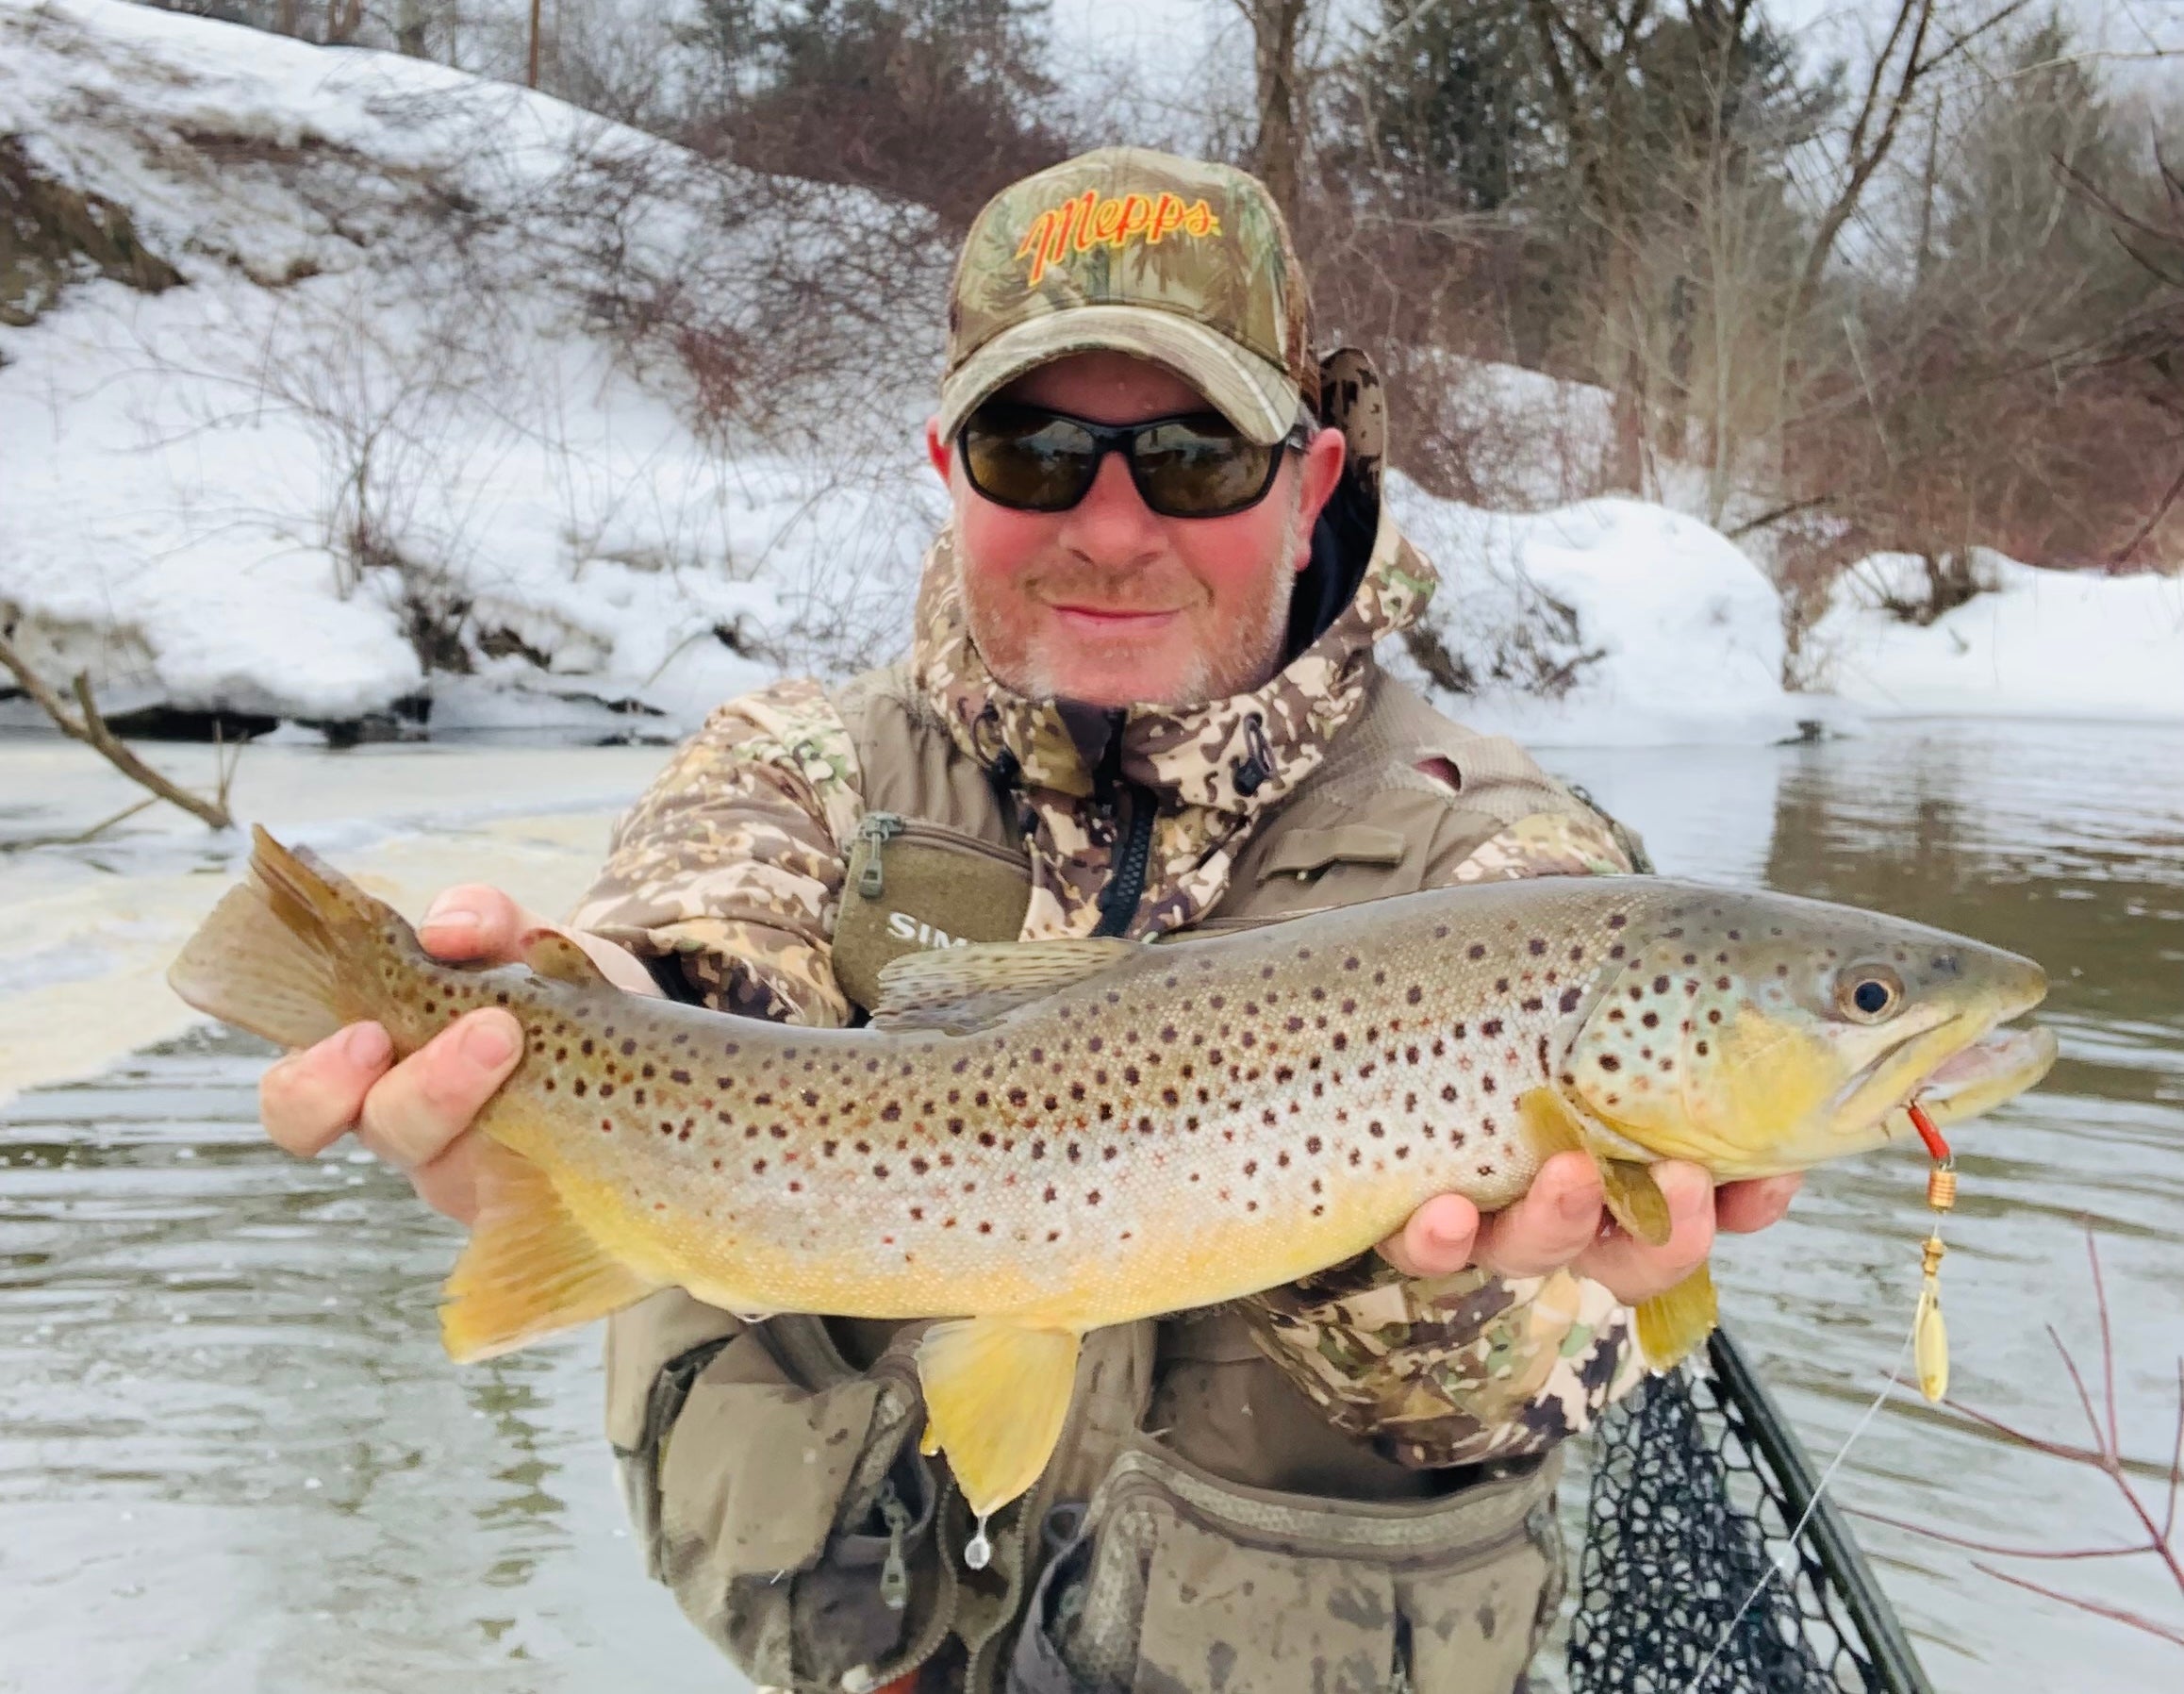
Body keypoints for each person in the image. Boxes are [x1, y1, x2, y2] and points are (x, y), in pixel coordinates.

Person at [256, 149, 1800, 1693]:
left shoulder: (1515, 870)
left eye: (1195, 457)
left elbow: (1543, 1381)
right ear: (951, 465)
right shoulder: (799, 768)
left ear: (1311, 479)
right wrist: (560, 1033)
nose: (1112, 529)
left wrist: (1455, 1289)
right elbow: (693, 955)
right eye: (1037, 451)